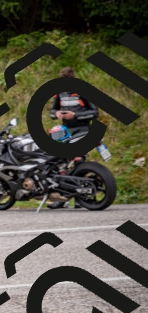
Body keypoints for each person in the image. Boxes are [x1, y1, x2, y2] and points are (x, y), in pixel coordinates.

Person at [47, 66, 99, 209]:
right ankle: (62, 197)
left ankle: (81, 198)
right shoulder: (59, 93)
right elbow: (52, 111)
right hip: (66, 130)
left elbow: (95, 113)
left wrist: (75, 115)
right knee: (55, 158)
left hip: (84, 129)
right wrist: (56, 114)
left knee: (78, 159)